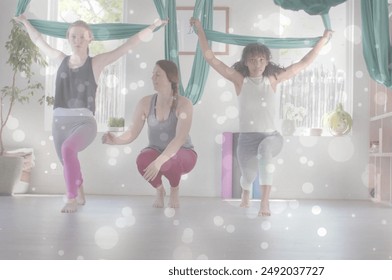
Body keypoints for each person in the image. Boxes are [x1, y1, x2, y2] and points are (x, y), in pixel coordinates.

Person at [15, 14, 168, 213]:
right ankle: (79, 189)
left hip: (84, 122)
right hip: (59, 121)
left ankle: (70, 199)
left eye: (82, 36)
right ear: (68, 38)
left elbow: (128, 45)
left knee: (68, 150)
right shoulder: (60, 58)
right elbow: (38, 41)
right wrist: (26, 22)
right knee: (67, 161)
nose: (77, 41)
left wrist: (154, 25)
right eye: (73, 37)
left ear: (90, 38)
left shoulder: (96, 63)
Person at [190, 18, 332, 216]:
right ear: (246, 62)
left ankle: (265, 203)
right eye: (253, 60)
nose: (257, 63)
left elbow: (303, 63)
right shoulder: (239, 80)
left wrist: (322, 41)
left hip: (271, 137)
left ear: (266, 62)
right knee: (247, 176)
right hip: (247, 139)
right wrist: (199, 31)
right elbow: (210, 58)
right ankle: (246, 191)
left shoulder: (273, 79)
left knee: (265, 152)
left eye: (261, 60)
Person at [102, 60, 197, 209]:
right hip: (156, 150)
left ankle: (174, 189)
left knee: (170, 159)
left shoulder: (184, 104)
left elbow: (180, 139)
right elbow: (132, 132)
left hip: (184, 153)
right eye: (152, 74)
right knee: (142, 159)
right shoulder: (145, 103)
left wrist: (159, 161)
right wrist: (116, 140)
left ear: (171, 78)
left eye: (158, 74)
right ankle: (160, 190)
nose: (153, 78)